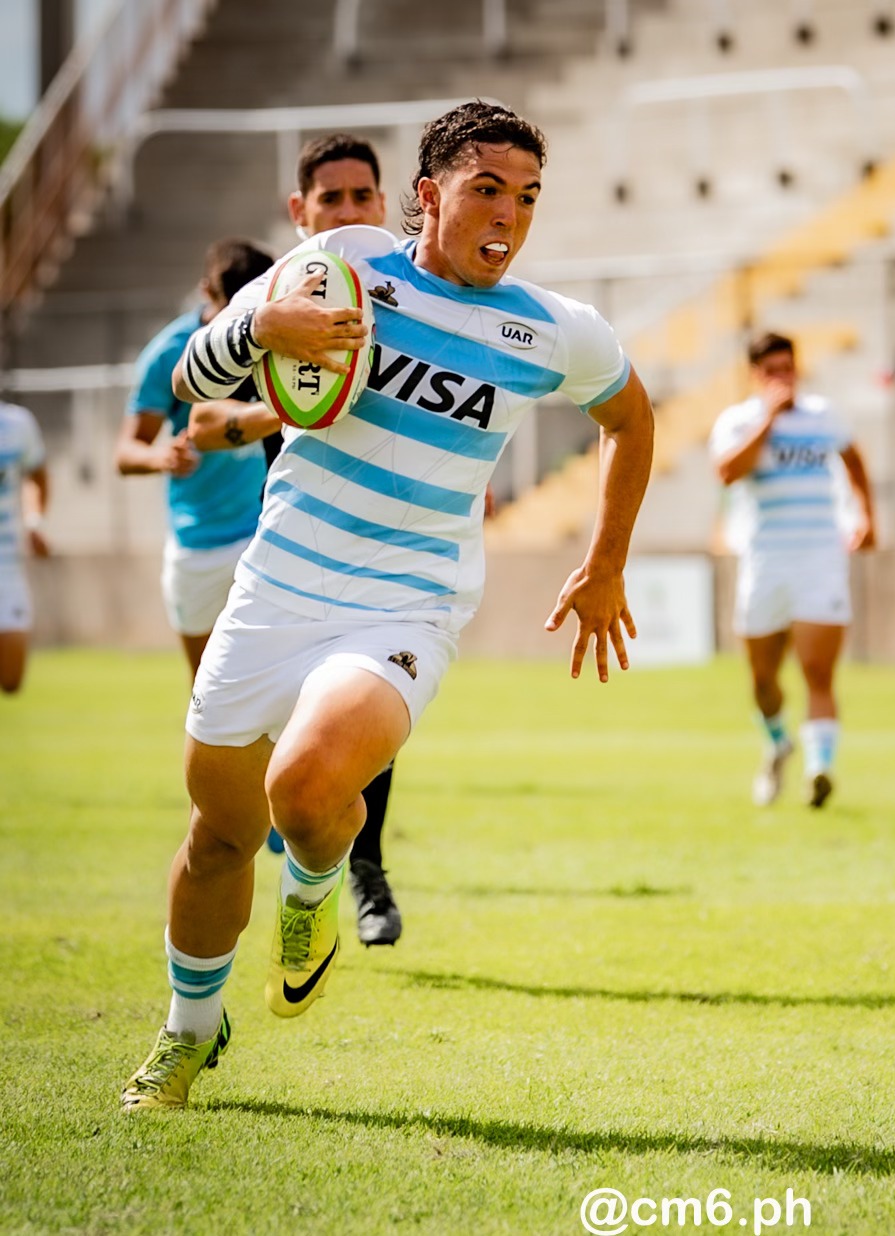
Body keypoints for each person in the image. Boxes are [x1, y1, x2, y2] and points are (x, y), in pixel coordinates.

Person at [120, 100, 653, 1111]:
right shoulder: (344, 270)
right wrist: (257, 325)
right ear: (428, 194)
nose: (509, 214)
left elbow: (630, 417)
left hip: (408, 602)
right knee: (215, 836)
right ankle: (190, 1032)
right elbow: (196, 384)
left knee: (308, 787)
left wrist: (605, 561)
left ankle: (315, 889)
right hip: (277, 584)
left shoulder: (551, 330)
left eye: (528, 195)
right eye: (485, 188)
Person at [184, 133, 407, 946]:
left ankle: (367, 875)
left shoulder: (413, 297)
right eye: (330, 198)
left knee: (361, 727)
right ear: (299, 210)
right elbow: (201, 416)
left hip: (390, 565)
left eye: (361, 196)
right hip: (288, 557)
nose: (348, 211)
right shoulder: (276, 300)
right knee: (252, 782)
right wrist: (288, 402)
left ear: (385, 202)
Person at [709, 332, 875, 809]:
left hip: (820, 558)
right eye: (772, 370)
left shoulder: (824, 415)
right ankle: (778, 742)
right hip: (764, 561)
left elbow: (854, 460)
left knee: (817, 672)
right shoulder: (738, 421)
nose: (783, 378)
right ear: (754, 375)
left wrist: (865, 515)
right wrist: (769, 420)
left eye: (788, 367)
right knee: (763, 681)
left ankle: (819, 768)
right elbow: (726, 472)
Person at [116, 239, 276, 676]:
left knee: (276, 689)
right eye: (235, 303)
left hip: (264, 534)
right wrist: (162, 457)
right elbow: (126, 453)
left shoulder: (278, 337)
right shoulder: (171, 353)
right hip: (198, 542)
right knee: (208, 696)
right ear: (208, 292)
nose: (247, 314)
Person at [0, 399, 49, 694]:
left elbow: (37, 475)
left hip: (7, 563)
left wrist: (34, 523)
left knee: (11, 678)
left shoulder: (18, 424)